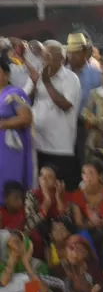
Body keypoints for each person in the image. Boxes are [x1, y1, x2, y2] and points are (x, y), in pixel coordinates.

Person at [26, 40, 82, 189]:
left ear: (62, 60)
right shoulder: (39, 74)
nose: (44, 60)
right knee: (40, 189)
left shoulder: (70, 78)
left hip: (59, 146)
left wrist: (46, 82)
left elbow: (65, 105)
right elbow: (26, 101)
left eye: (48, 56)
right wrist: (34, 84)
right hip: (38, 142)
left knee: (60, 189)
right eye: (43, 55)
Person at [0, 55, 35, 189]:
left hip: (10, 149)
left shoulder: (15, 92)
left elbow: (26, 118)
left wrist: (2, 124)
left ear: (7, 74)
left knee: (9, 186)